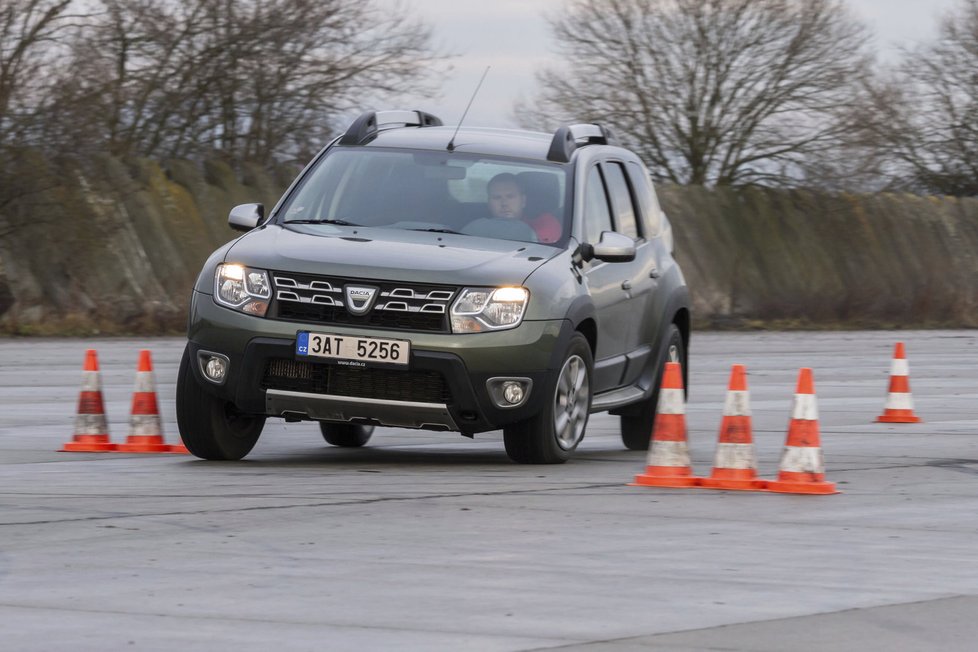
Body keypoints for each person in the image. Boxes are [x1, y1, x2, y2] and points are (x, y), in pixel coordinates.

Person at [486, 173, 562, 243]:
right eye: (497, 197)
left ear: (523, 201)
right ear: (489, 203)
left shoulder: (544, 224)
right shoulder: (478, 229)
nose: (504, 203)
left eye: (510, 197)